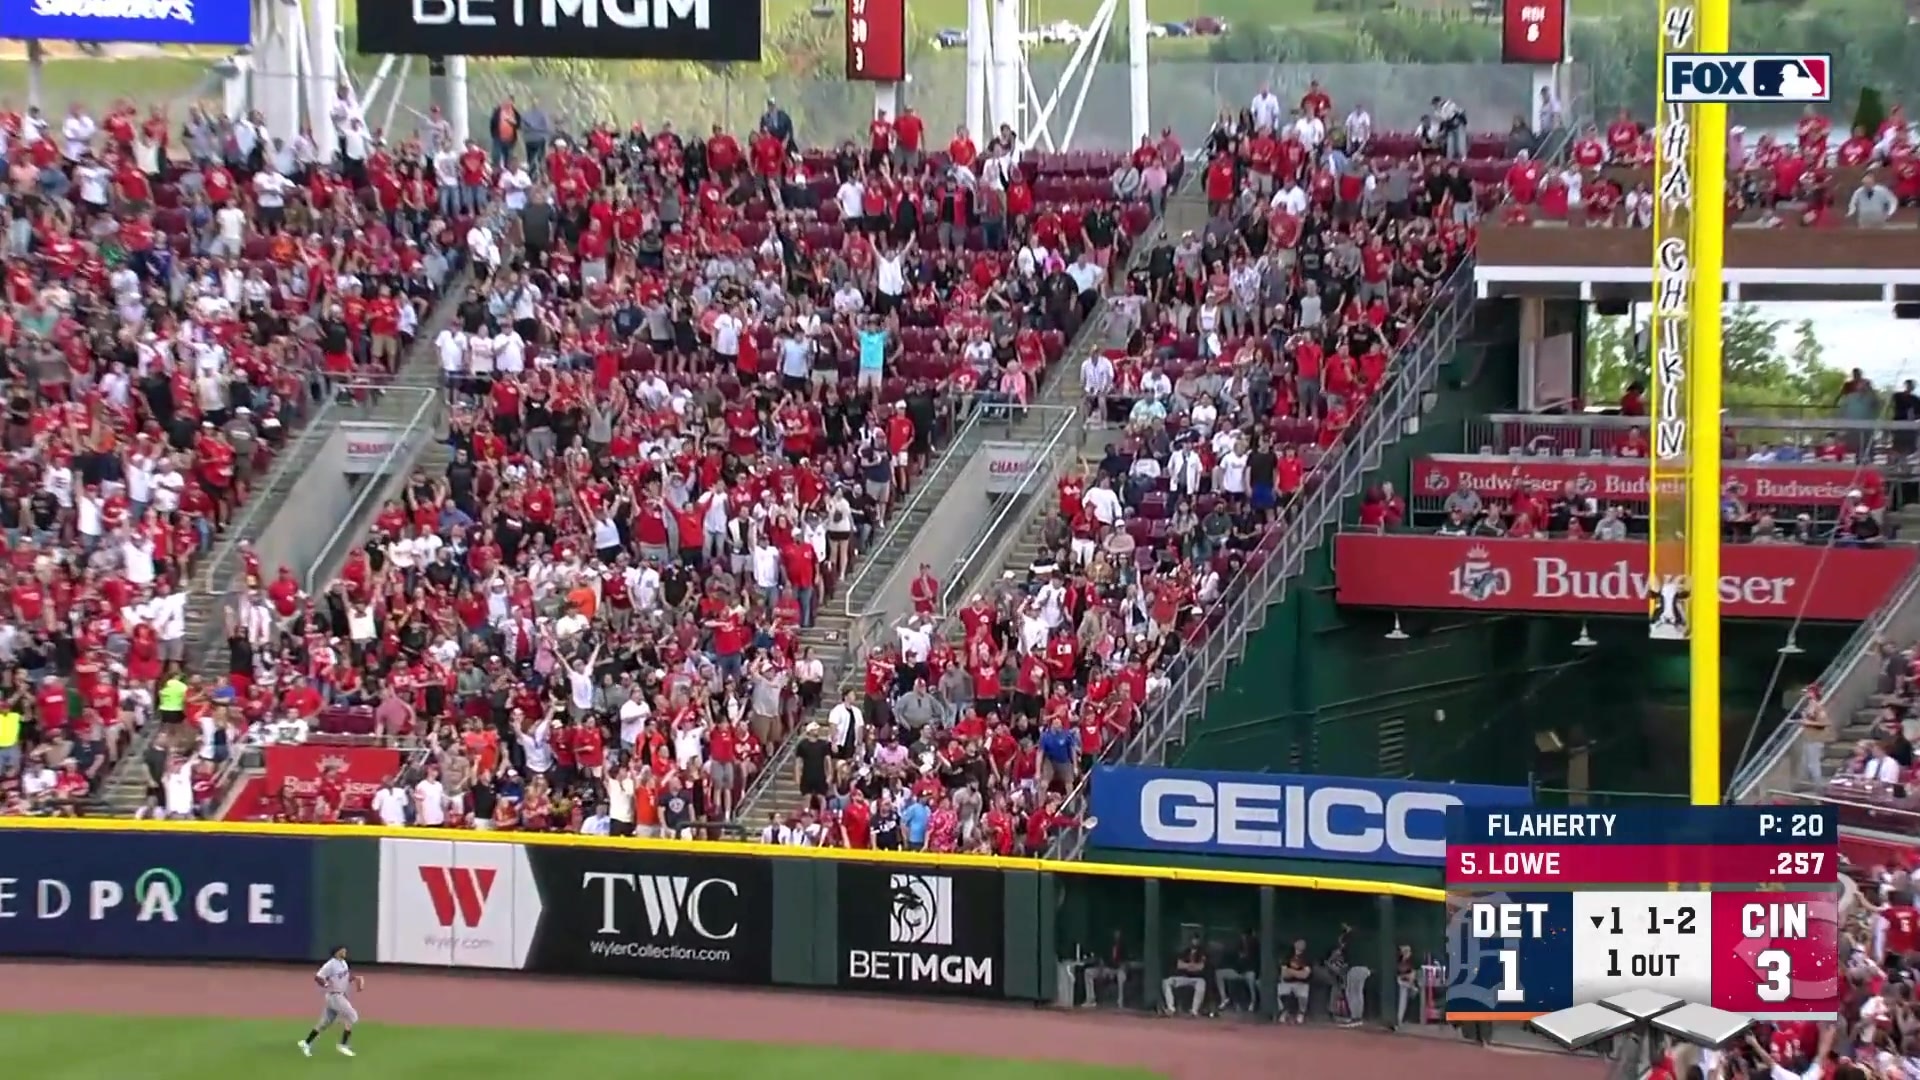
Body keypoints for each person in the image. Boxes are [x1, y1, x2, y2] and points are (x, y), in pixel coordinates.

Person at [300, 945, 365, 1057]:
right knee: (352, 1016)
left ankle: (306, 1043)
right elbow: (318, 976)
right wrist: (326, 984)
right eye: (342, 950)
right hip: (335, 996)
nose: (345, 951)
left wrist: (356, 978)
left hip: (339, 996)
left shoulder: (343, 963)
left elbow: (345, 977)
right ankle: (343, 1045)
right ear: (336, 952)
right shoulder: (330, 964)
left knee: (324, 1023)